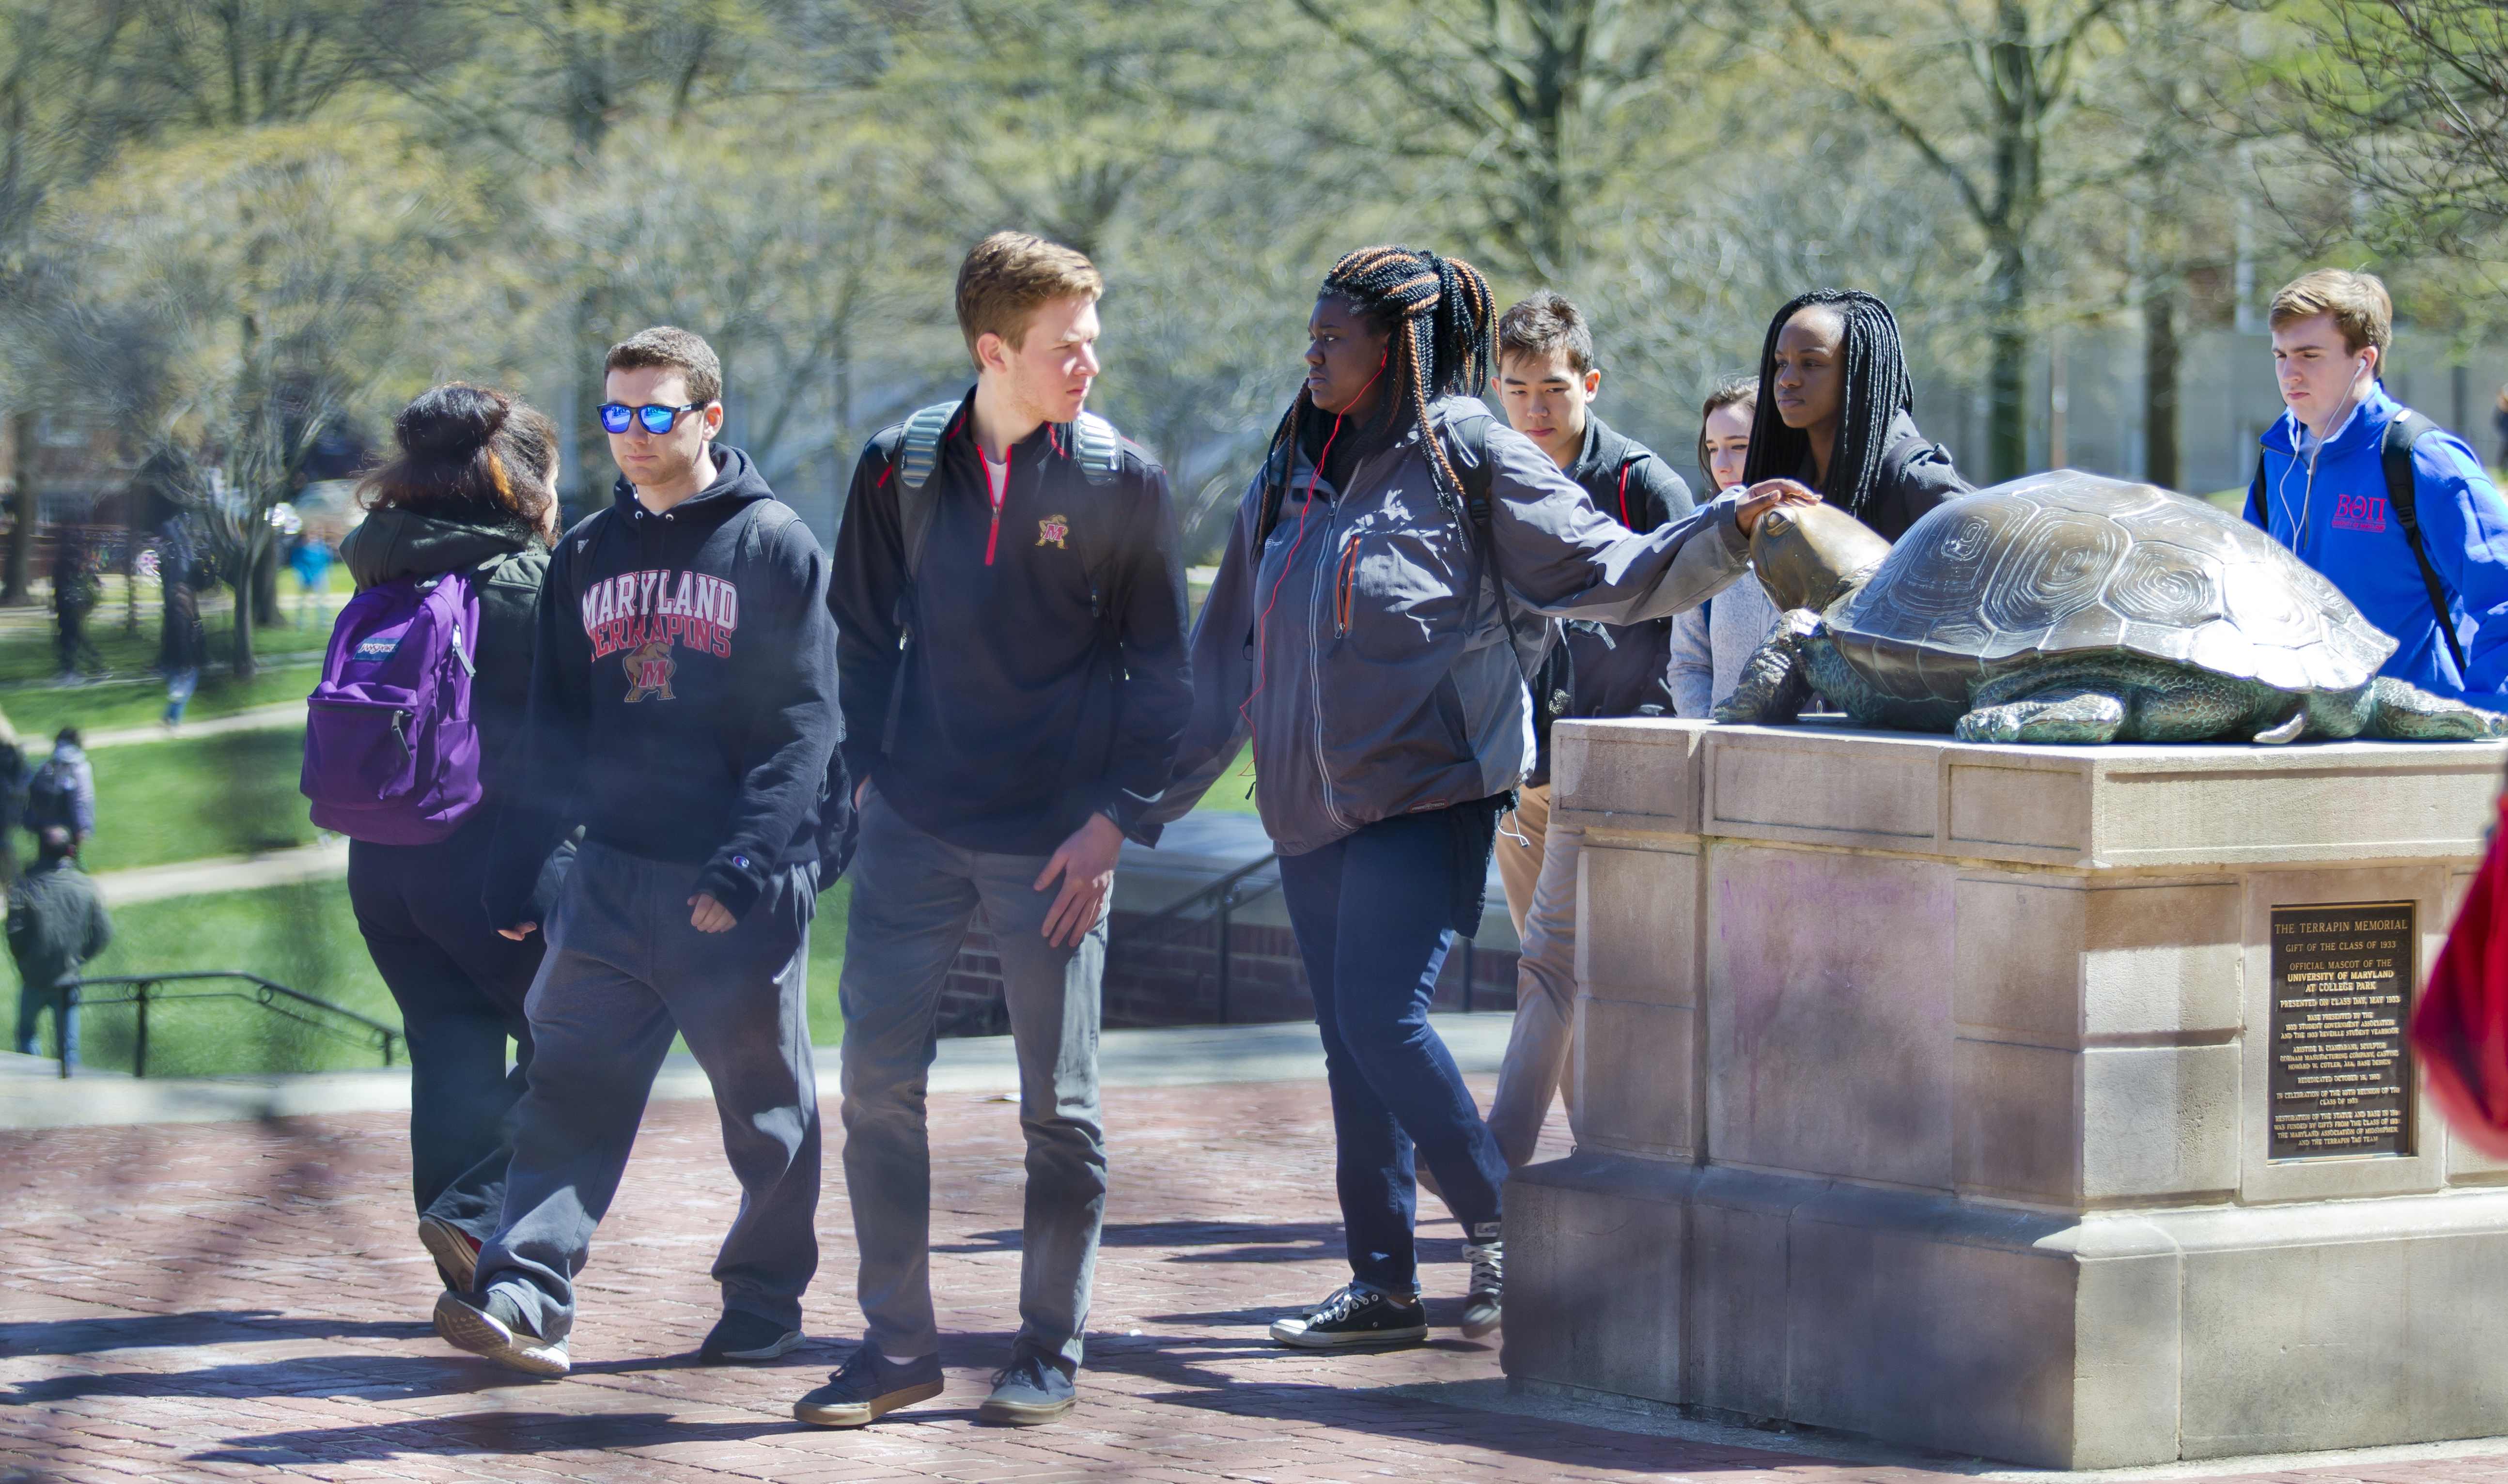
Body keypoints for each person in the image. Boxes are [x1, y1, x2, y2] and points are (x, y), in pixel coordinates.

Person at [1149, 245, 1810, 1352]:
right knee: (1347, 1043)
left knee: (1380, 1014)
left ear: (1399, 347)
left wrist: (1728, 529)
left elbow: (1611, 567)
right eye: (1309, 335)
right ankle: (1382, 1283)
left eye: (1335, 337)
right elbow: (1226, 656)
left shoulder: (1468, 453)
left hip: (1429, 791)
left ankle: (1504, 1219)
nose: (1311, 352)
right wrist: (1134, 803)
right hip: (1305, 806)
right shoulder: (1290, 466)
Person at [800, 232, 1190, 1431]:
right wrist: (866, 776)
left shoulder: (1123, 479)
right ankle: (898, 1341)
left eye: (1093, 340)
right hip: (914, 821)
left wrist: (1117, 820)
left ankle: (1046, 1341)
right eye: (1066, 345)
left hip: (1056, 842)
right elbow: (858, 639)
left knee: (1057, 1108)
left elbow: (1162, 673)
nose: (1089, 362)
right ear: (993, 350)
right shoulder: (897, 469)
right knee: (874, 1086)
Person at [449, 326, 843, 1378]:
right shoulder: (586, 550)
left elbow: (805, 725)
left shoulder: (772, 545)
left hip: (734, 886)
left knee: (766, 1115)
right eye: (613, 413)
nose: (629, 434)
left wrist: (746, 862)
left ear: (709, 417)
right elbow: (554, 727)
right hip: (612, 880)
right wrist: (523, 858)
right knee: (564, 1088)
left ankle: (763, 1305)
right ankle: (525, 1295)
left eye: (653, 412)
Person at [338, 384, 561, 1299]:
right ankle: (474, 1215)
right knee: (586, 1040)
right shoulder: (526, 584)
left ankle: (463, 1251)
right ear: (526, 481)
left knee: (450, 1046)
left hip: (379, 859)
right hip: (483, 864)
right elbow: (561, 744)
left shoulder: (381, 563)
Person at [1483, 290, 1694, 1170]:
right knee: (1554, 974)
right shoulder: (1488, 475)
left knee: (1565, 969)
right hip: (1525, 769)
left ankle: (1503, 1159)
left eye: (1554, 388)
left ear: (1591, 383)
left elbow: (1688, 624)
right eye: (1517, 388)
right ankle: (1596, 1154)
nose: (1535, 407)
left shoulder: (1643, 483)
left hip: (1619, 761)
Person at [2243, 270, 2508, 710]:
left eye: (2309, 355)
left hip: (2409, 744)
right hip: (2292, 736)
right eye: (2280, 355)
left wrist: (2483, 717)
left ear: (2363, 360)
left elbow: (2501, 596)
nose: (2289, 374)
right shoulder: (2276, 457)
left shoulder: (2424, 460)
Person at [1740, 288, 1971, 543]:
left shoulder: (1918, 482)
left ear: (1858, 375)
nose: (1787, 380)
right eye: (1781, 363)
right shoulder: (1786, 475)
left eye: (1811, 363)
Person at [1672, 375, 1787, 716]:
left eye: (1738, 446)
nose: (1721, 464)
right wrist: (1707, 742)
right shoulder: (1698, 533)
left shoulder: (1822, 532)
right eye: (1711, 448)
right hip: (1722, 757)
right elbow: (1687, 665)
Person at [9, 827, 111, 1069]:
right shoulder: (85, 886)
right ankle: (70, 1091)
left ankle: (31, 1088)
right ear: (70, 851)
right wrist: (79, 959)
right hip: (68, 978)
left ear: (41, 851)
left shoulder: (26, 887)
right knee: (69, 1047)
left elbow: (15, 933)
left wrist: (25, 963)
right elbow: (103, 933)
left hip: (34, 977)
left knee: (27, 1036)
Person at [24, 729, 95, 854]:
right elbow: (84, 799)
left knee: (45, 863)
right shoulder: (80, 767)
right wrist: (84, 827)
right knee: (68, 865)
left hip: (44, 827)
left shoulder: (46, 765)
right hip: (68, 827)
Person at [51, 532, 102, 682]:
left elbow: (65, 585)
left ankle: (71, 669)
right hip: (70, 606)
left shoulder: (66, 563)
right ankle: (78, 667)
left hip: (69, 607)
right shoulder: (70, 563)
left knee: (70, 637)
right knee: (72, 637)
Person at [289, 529, 335, 628]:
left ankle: (322, 621)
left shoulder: (321, 548)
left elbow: (326, 562)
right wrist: (306, 578)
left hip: (320, 577)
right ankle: (301, 621)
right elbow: (299, 564)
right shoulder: (302, 550)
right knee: (303, 600)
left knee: (322, 600)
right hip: (307, 578)